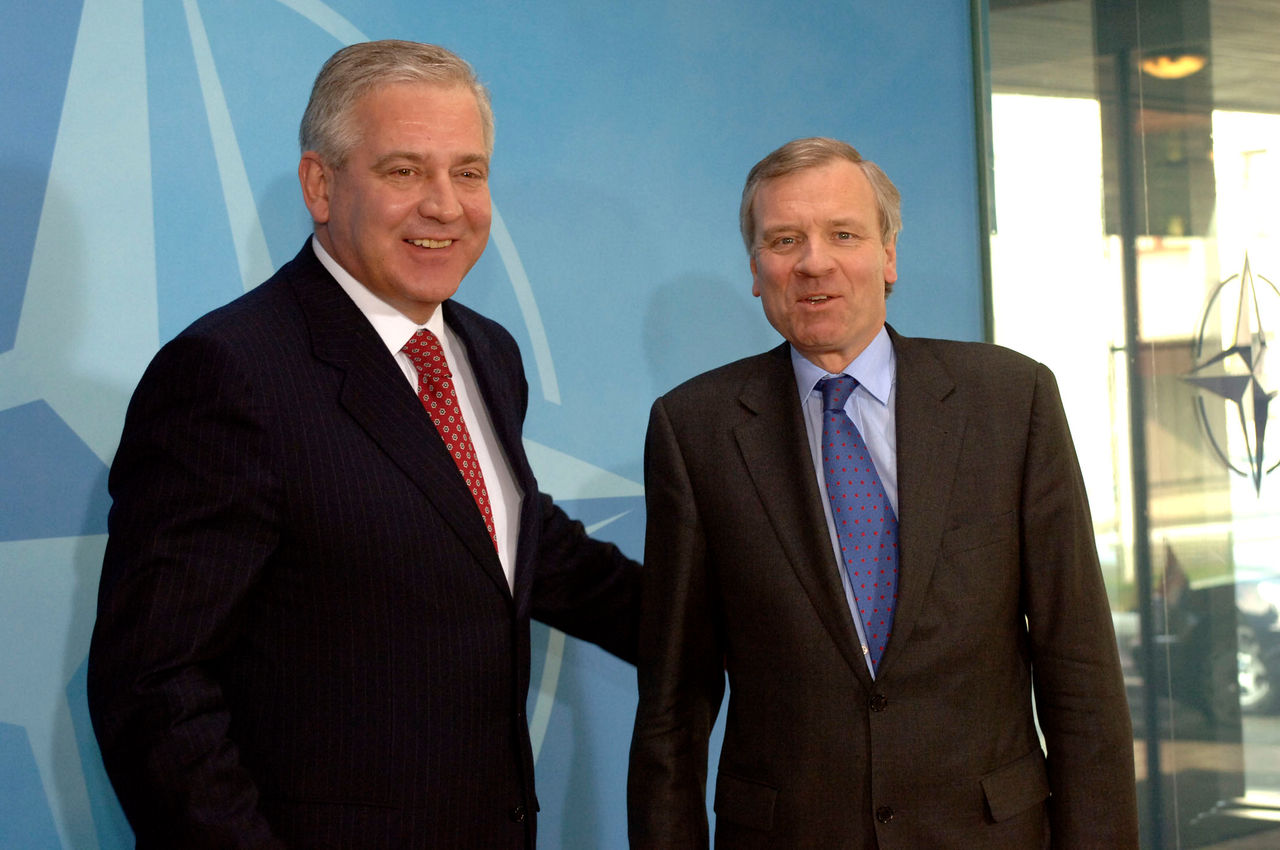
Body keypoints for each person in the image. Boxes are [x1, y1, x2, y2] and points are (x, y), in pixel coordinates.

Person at [87, 40, 639, 849]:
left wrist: (742, 626)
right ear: (320, 184)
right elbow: (155, 685)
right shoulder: (229, 373)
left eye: (469, 172)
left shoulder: (484, 351)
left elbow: (502, 539)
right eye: (404, 171)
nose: (445, 206)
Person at [627, 137, 1138, 848]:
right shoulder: (695, 431)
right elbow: (673, 707)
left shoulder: (1010, 401)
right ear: (755, 269)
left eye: (843, 234)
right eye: (784, 239)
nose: (814, 261)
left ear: (889, 255)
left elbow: (1078, 668)